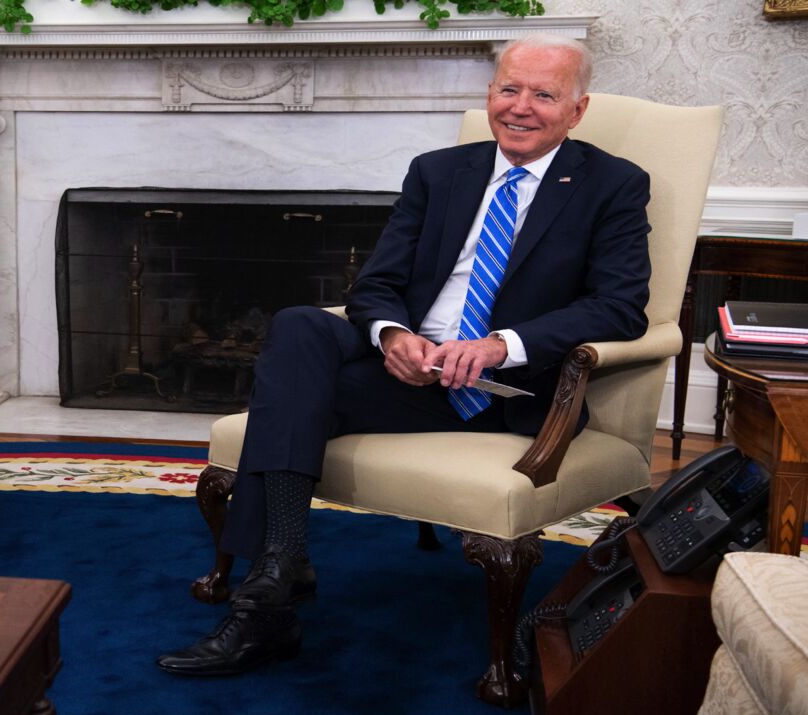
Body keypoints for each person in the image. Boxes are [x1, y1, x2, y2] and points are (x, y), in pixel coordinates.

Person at [156, 33, 652, 675]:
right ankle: (278, 575)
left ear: (577, 110)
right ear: (490, 93)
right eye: (508, 89)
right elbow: (378, 285)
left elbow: (621, 305)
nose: (520, 107)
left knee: (293, 397)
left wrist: (503, 345)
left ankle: (268, 601)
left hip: (504, 392)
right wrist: (393, 336)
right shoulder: (439, 171)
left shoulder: (611, 184)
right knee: (301, 327)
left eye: (544, 94)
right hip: (411, 372)